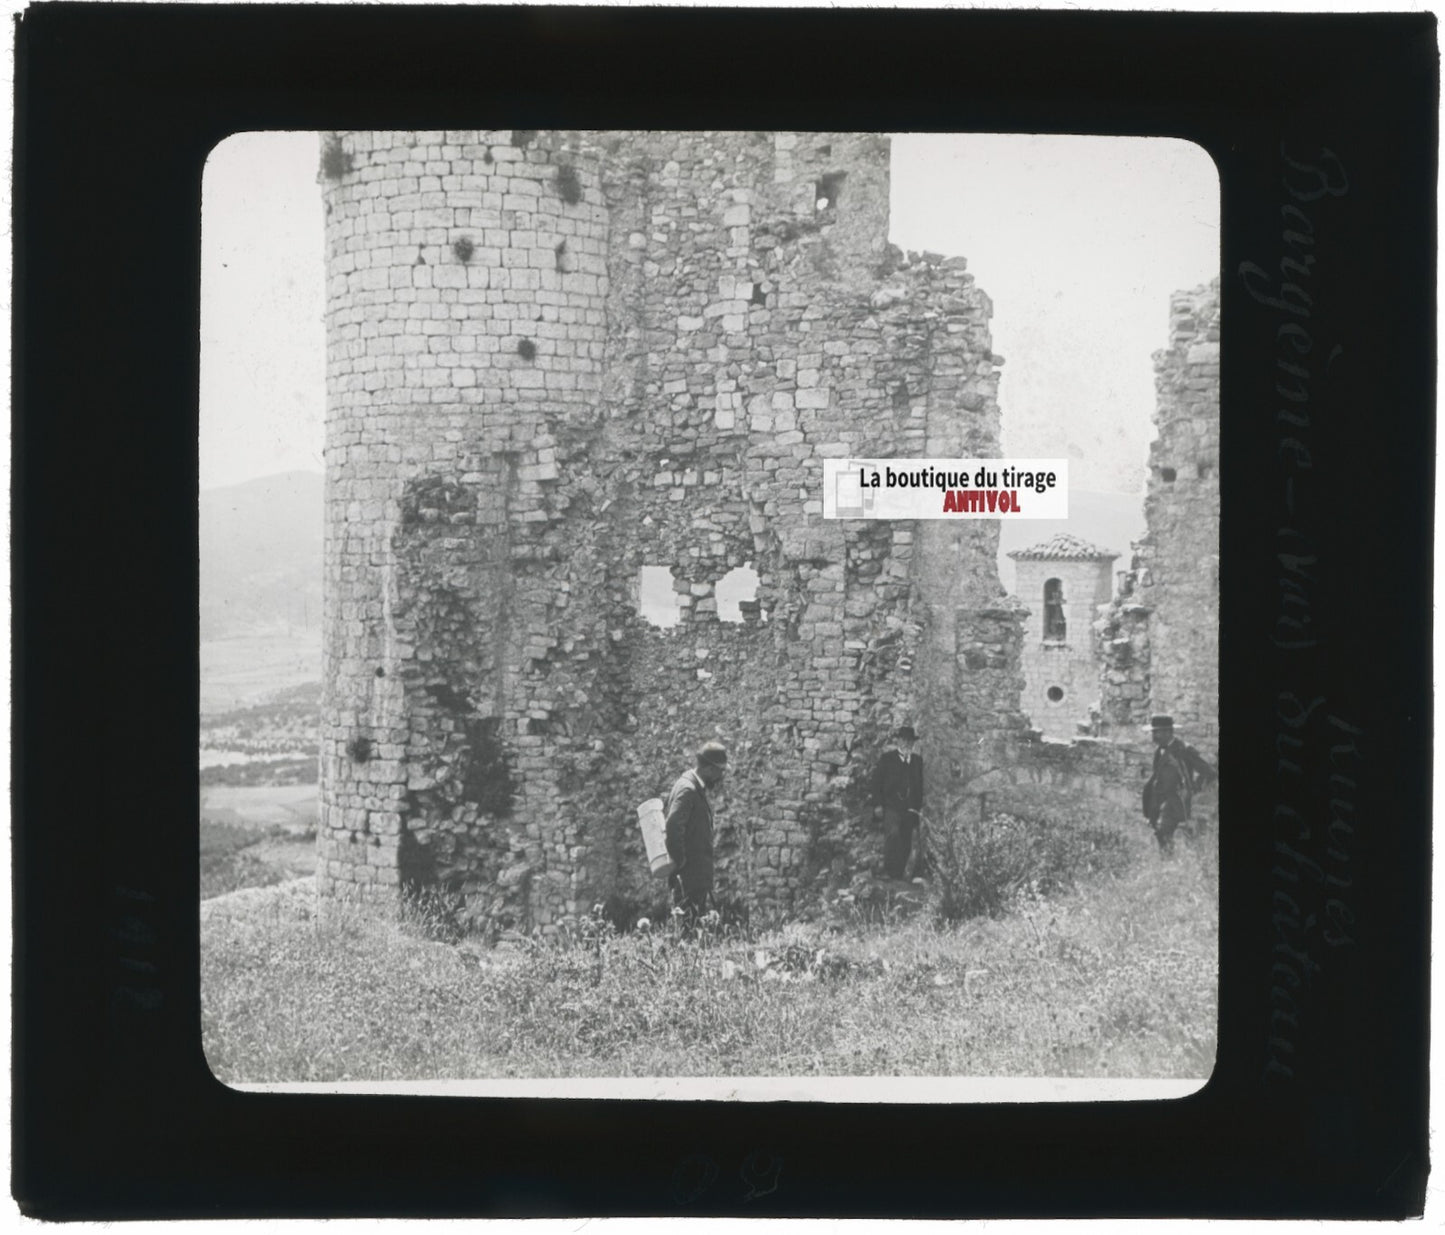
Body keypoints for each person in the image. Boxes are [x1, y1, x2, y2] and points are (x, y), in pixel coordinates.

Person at [664, 740, 726, 920]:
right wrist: (682, 862)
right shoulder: (688, 789)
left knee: (689, 931)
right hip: (689, 879)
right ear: (708, 769)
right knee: (688, 930)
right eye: (720, 771)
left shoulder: (690, 784)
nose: (721, 776)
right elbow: (673, 826)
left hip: (692, 877)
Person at [1142, 714, 1217, 853]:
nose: (1153, 735)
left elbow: (1209, 772)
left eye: (1156, 732)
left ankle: (1170, 863)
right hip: (1160, 800)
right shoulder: (1159, 751)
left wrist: (1194, 787)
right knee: (1161, 834)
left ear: (1168, 732)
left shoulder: (1183, 750)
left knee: (1164, 831)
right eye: (1153, 732)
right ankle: (1168, 862)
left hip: (1176, 800)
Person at [874, 725, 924, 880]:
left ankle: (900, 874)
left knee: (906, 839)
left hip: (909, 808)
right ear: (898, 741)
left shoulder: (917, 761)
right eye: (904, 740)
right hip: (892, 805)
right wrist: (877, 804)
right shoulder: (887, 759)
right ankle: (889, 871)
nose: (907, 744)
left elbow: (919, 786)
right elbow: (876, 783)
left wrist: (918, 809)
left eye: (910, 741)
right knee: (893, 834)